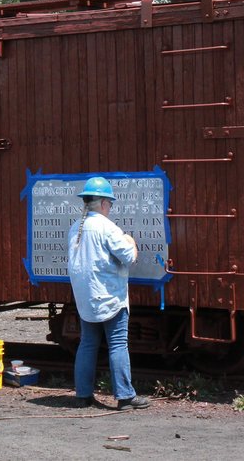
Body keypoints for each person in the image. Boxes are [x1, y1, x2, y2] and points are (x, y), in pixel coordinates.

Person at [66, 176, 150, 410]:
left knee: (88, 344)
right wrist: (131, 241)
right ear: (103, 203)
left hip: (85, 299)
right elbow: (129, 257)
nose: (110, 208)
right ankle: (124, 396)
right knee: (117, 344)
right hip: (110, 297)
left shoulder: (76, 228)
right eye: (110, 204)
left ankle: (83, 395)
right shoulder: (106, 227)